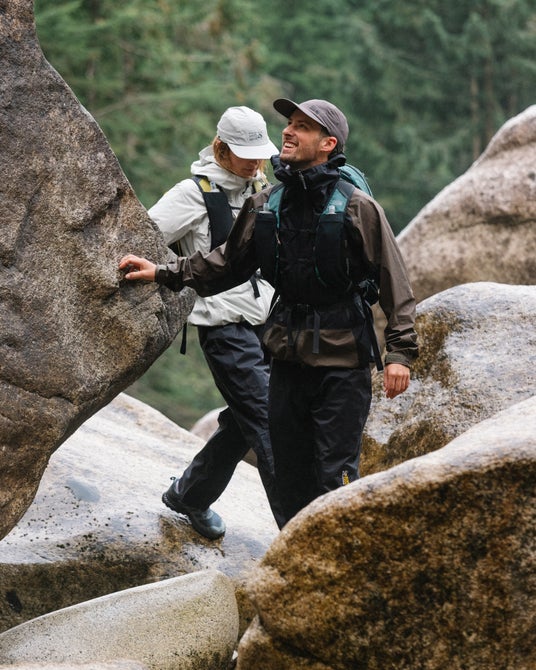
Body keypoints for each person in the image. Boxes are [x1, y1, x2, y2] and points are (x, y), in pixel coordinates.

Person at [120, 98, 419, 526]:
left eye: (302, 126)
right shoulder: (264, 202)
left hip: (334, 354)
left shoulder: (354, 207)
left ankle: (199, 500)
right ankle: (292, 551)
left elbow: (394, 280)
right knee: (283, 457)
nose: (287, 132)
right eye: (289, 123)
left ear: (328, 144)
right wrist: (162, 272)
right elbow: (226, 264)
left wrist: (399, 354)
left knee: (328, 470)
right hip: (277, 350)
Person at [147, 106, 284, 539]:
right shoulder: (192, 194)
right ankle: (301, 531)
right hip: (224, 328)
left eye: (259, 153)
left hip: (267, 324)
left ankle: (189, 495)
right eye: (245, 153)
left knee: (246, 421)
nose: (255, 162)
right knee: (270, 423)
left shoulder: (261, 188)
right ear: (221, 148)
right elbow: (144, 236)